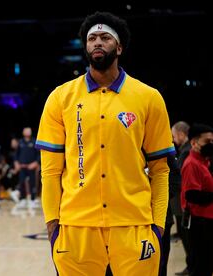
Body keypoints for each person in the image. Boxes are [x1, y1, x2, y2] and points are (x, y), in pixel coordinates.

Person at [35, 11, 175, 275]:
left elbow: (161, 170)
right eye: (92, 38)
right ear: (86, 47)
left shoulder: (149, 97)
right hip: (76, 227)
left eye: (105, 38)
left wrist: (157, 227)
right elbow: (50, 171)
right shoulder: (60, 98)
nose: (97, 42)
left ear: (119, 47)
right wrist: (53, 225)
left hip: (134, 224)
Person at [180, 123, 213, 276]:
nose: (210, 145)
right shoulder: (191, 164)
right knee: (201, 267)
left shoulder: (205, 161)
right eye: (207, 142)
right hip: (200, 222)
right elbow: (192, 195)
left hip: (207, 220)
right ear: (194, 143)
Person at [171, 121, 192, 276]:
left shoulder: (186, 151)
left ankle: (190, 267)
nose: (173, 138)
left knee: (188, 238)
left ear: (181, 134)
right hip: (181, 200)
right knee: (184, 235)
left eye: (174, 135)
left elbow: (181, 175)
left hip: (184, 200)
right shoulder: (184, 150)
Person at [14, 127, 39, 209]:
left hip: (31, 166)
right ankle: (22, 199)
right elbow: (16, 154)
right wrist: (16, 163)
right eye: (26, 131)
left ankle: (32, 199)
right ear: (23, 132)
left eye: (29, 131)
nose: (28, 132)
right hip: (22, 166)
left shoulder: (34, 141)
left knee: (32, 183)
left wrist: (36, 163)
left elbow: (39, 154)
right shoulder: (20, 142)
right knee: (21, 183)